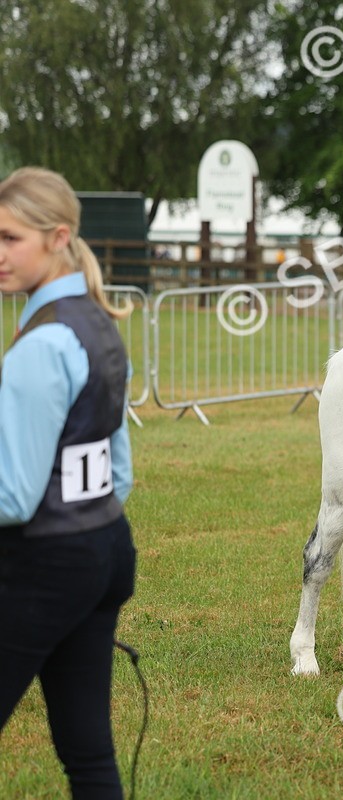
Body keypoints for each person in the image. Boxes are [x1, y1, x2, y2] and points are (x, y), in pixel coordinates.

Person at [0, 167, 137, 799]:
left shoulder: (39, 345)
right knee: (88, 754)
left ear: (57, 237)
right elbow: (121, 472)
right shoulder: (99, 322)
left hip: (46, 563)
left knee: (86, 751)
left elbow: (14, 496)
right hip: (106, 548)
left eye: (9, 238)